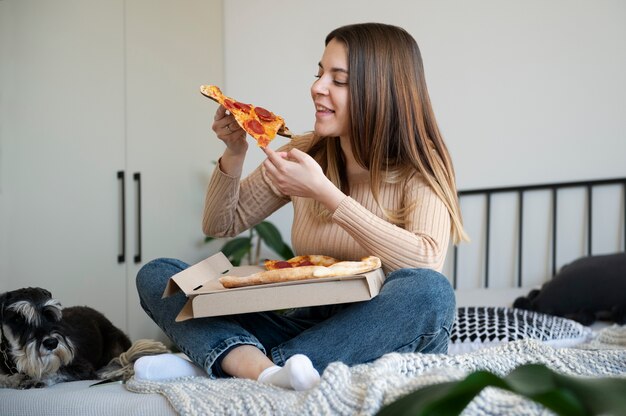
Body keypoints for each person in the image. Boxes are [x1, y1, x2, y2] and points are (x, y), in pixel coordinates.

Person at [134, 22, 468, 391]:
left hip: (381, 333)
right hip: (305, 324)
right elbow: (221, 223)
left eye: (338, 80)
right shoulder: (306, 151)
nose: (317, 87)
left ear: (380, 92)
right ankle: (271, 370)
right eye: (319, 73)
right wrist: (235, 152)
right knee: (160, 275)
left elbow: (425, 262)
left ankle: (245, 365)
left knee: (430, 291)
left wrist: (327, 194)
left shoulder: (418, 168)